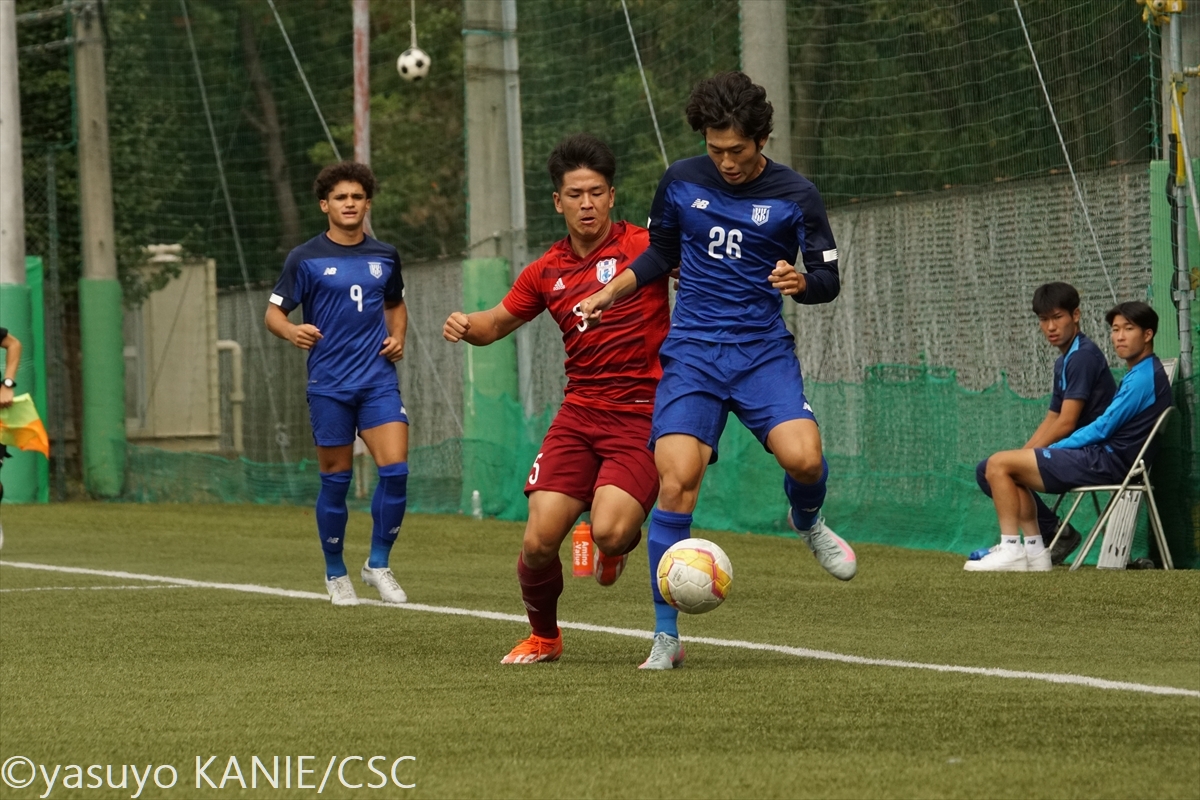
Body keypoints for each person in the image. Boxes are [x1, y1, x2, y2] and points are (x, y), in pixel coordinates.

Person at [579, 71, 856, 671]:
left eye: (737, 150)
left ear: (761, 140)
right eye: (715, 149)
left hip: (761, 353)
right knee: (677, 480)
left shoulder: (797, 195)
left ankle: (807, 520)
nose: (726, 161)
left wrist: (801, 281)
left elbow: (828, 279)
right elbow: (660, 254)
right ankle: (665, 637)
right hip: (694, 355)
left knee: (805, 460)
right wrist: (609, 293)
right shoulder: (681, 180)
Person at [443, 133, 669, 664]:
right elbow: (495, 323)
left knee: (609, 534)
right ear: (557, 201)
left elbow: (703, 273)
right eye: (575, 194)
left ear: (612, 196)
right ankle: (545, 637)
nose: (586, 204)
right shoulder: (546, 270)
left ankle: (619, 542)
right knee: (538, 540)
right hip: (579, 414)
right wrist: (466, 324)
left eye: (596, 193)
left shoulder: (647, 247)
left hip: (642, 414)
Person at [265, 162, 410, 606]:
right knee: (336, 480)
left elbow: (396, 304)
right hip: (329, 385)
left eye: (357, 197)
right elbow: (273, 314)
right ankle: (335, 573)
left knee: (396, 471)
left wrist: (398, 336)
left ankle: (378, 564)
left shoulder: (385, 255)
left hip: (377, 381)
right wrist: (292, 331)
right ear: (324, 205)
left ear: (368, 204)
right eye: (341, 197)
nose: (350, 204)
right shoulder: (304, 258)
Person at [967, 301, 1172, 572]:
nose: (1119, 337)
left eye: (1128, 329)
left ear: (1147, 334)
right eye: (1115, 330)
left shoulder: (1142, 377)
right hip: (1104, 458)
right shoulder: (1141, 372)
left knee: (998, 465)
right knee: (996, 467)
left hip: (1107, 463)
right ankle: (1035, 551)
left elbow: (1101, 428)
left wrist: (1057, 448)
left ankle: (1011, 548)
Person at [974, 283, 1116, 565]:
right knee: (990, 468)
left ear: (1076, 315)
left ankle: (1025, 543)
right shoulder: (1064, 360)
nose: (1051, 327)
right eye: (1043, 319)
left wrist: (1019, 458)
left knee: (996, 467)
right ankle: (1049, 535)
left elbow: (1066, 422)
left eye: (1057, 317)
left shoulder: (1083, 356)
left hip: (1094, 455)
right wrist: (1019, 455)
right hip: (1078, 451)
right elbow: (1053, 416)